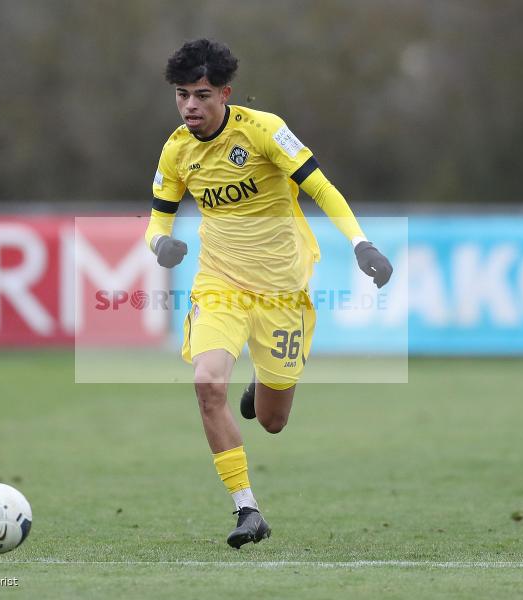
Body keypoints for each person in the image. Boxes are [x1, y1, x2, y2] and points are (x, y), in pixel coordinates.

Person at [144, 39, 392, 548]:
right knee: (207, 384)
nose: (190, 105)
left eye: (202, 94)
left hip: (282, 289)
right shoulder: (176, 150)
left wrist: (361, 244)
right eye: (182, 95)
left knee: (274, 422)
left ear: (225, 93)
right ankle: (247, 508)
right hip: (220, 285)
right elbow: (157, 220)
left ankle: (262, 384)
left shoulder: (263, 131)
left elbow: (321, 187)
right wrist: (162, 245)